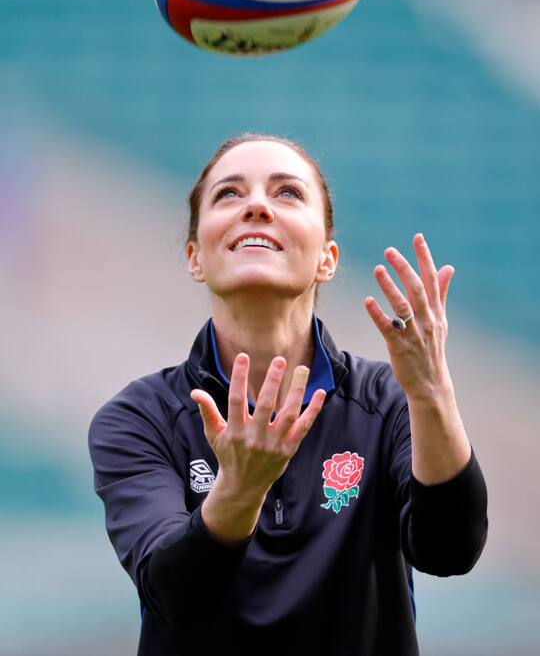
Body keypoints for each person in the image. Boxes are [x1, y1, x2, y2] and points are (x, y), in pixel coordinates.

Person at [88, 132, 488, 656]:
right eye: (229, 194)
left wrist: (433, 391)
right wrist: (240, 489)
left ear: (326, 257)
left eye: (287, 193)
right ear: (195, 257)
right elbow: (174, 591)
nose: (256, 205)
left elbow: (449, 549)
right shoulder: (138, 419)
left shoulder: (391, 400)